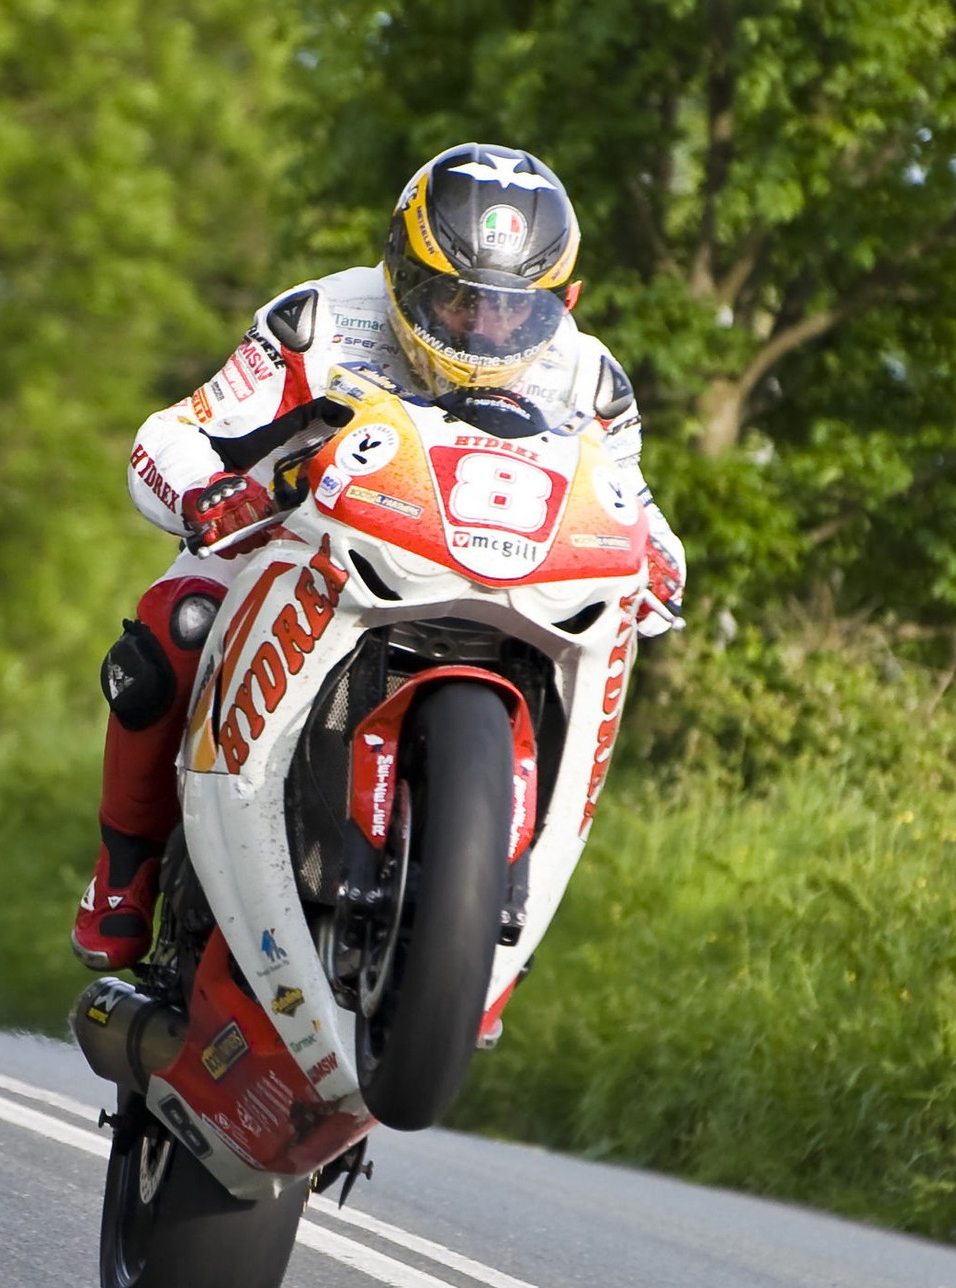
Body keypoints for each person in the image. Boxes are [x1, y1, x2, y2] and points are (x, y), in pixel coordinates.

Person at [72, 142, 686, 972]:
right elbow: (176, 431)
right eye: (451, 300)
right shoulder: (320, 320)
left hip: (501, 575)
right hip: (299, 545)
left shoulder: (591, 380)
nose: (479, 329)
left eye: (513, 312)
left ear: (562, 300)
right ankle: (123, 877)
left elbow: (635, 505)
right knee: (174, 626)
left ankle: (488, 898)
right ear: (398, 267)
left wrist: (659, 560)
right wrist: (205, 495)